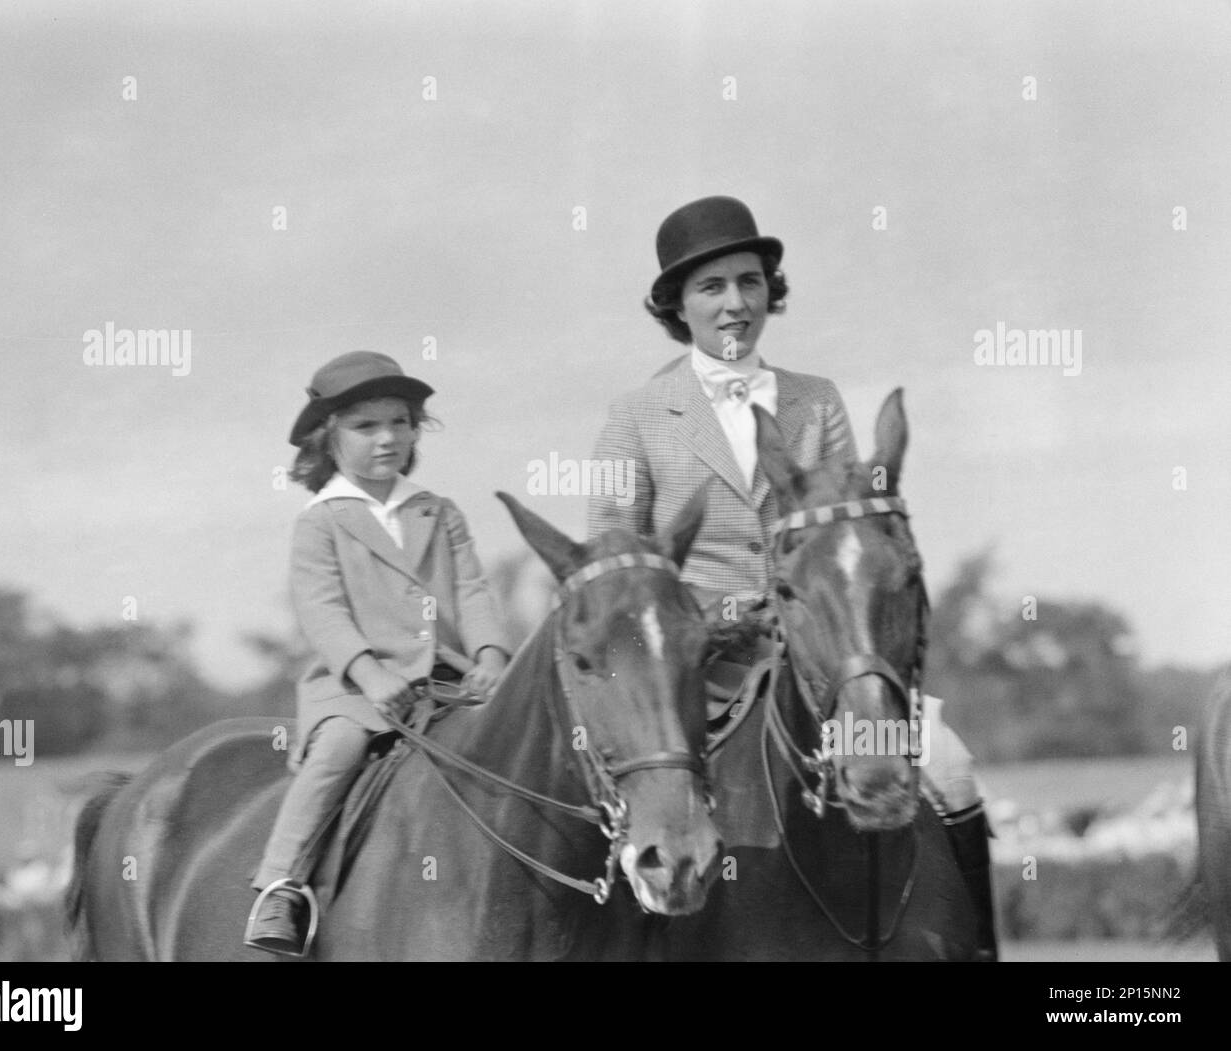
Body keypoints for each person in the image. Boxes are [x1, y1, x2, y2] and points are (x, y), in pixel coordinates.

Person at [586, 196, 998, 960]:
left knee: (950, 763)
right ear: (677, 304)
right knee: (633, 812)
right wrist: (719, 614)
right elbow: (615, 579)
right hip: (697, 678)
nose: (735, 303)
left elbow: (851, 538)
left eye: (749, 281)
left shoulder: (818, 400)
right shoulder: (635, 416)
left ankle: (977, 947)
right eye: (711, 288)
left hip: (823, 668)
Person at [245, 351, 512, 956]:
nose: (387, 437)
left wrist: (492, 654)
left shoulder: (438, 511)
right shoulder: (322, 522)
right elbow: (323, 611)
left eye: (399, 421)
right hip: (354, 688)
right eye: (365, 426)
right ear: (327, 439)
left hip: (447, 680)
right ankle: (280, 883)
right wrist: (368, 671)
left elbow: (472, 590)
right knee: (338, 748)